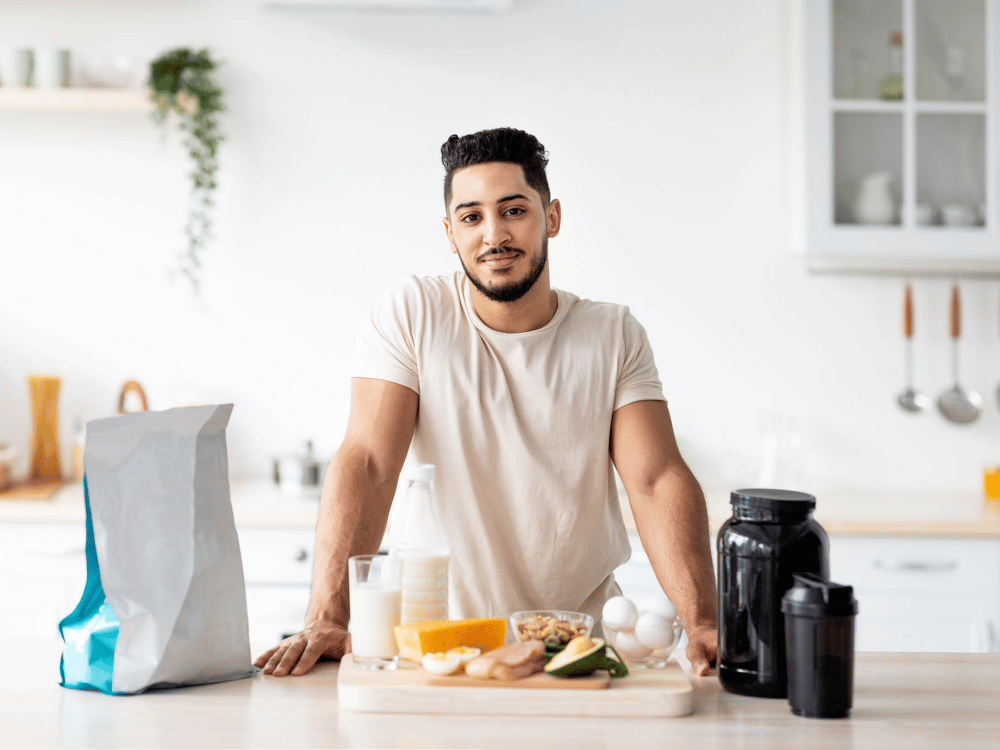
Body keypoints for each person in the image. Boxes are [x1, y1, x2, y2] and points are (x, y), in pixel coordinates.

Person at [254, 127, 718, 678]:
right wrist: (327, 616)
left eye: (514, 210)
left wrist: (704, 620)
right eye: (472, 217)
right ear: (450, 233)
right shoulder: (414, 312)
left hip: (575, 654)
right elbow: (372, 464)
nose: (494, 234)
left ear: (552, 218)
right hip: (439, 653)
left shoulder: (613, 332)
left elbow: (656, 479)